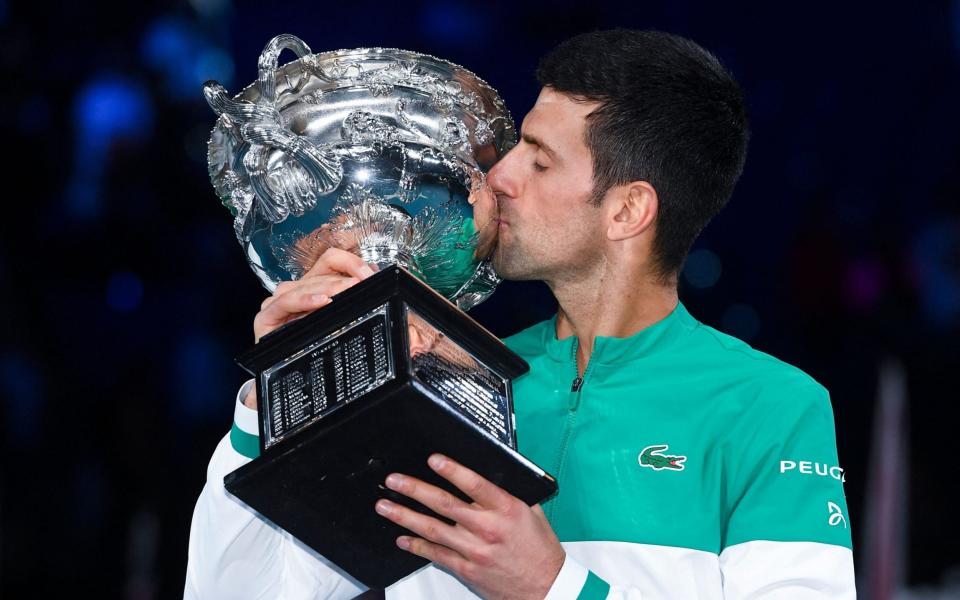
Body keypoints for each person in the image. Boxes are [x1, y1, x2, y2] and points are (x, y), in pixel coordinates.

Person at [185, 29, 855, 599]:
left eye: (538, 160)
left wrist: (553, 587)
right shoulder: (435, 374)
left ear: (628, 210)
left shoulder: (770, 406)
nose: (498, 177)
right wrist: (273, 400)